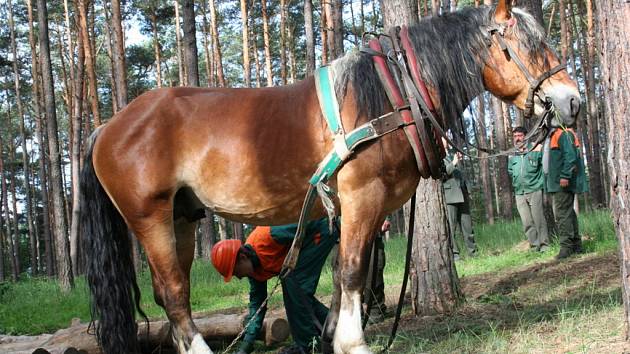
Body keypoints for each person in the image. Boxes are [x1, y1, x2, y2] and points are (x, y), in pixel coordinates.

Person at [211, 218, 339, 354]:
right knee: (293, 289)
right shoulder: (254, 272)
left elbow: (307, 220)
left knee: (295, 286)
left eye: (236, 272)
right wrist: (247, 344)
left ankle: (308, 346)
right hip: (310, 238)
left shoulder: (268, 236)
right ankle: (336, 328)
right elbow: (257, 306)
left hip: (321, 229)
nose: (239, 277)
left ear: (243, 257)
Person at [544, 126, 588, 260]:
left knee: (562, 213)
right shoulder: (553, 135)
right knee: (568, 212)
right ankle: (576, 245)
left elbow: (570, 156)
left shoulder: (563, 133)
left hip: (561, 182)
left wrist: (565, 175)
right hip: (556, 182)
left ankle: (566, 247)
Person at [508, 126, 550, 252]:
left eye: (520, 135)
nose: (517, 138)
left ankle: (544, 246)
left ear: (526, 136)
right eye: (515, 136)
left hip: (535, 189)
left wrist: (540, 183)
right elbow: (511, 170)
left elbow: (545, 167)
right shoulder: (512, 154)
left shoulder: (536, 148)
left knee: (539, 219)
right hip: (519, 192)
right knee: (527, 222)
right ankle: (534, 246)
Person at [442, 144, 477, 260]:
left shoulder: (453, 154)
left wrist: (468, 190)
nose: (446, 139)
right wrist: (454, 162)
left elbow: (462, 174)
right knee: (452, 228)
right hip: (450, 196)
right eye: (443, 136)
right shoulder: (438, 156)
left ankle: (473, 252)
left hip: (462, 194)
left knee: (467, 226)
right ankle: (455, 255)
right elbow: (443, 173)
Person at [362, 219, 390, 324]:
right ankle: (355, 311)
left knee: (373, 269)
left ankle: (375, 309)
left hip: (372, 227)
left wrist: (382, 218)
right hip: (344, 227)